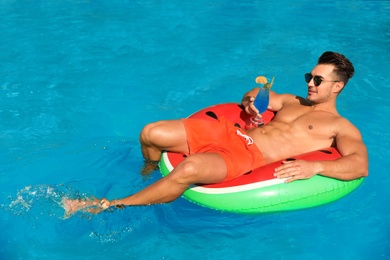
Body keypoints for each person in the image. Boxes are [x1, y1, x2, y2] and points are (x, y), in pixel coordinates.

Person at [63, 51, 368, 216]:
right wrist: (251, 103)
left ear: (337, 87)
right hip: (229, 130)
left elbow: (359, 164)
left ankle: (108, 205)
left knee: (190, 168)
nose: (310, 83)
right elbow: (258, 95)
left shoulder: (339, 127)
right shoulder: (292, 100)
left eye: (318, 79)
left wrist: (315, 166)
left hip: (248, 154)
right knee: (150, 131)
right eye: (309, 76)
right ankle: (148, 171)